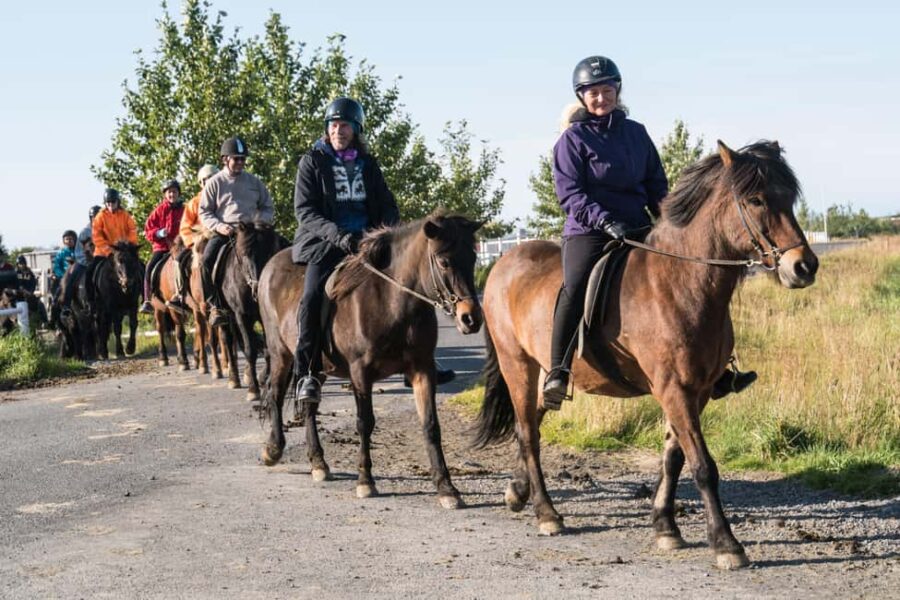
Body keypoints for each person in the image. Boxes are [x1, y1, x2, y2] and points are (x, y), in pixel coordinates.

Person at [542, 55, 755, 409]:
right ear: (582, 97)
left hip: (638, 225)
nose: (601, 98)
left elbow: (657, 182)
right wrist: (605, 220)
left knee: (693, 280)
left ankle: (718, 368)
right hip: (589, 231)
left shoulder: (636, 133)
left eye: (607, 90)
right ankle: (558, 370)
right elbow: (570, 195)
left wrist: (674, 219)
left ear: (617, 91)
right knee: (575, 286)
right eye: (593, 92)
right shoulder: (571, 141)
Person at [291, 97, 454, 403]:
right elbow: (306, 212)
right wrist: (339, 237)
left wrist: (392, 236)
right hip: (327, 243)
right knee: (312, 297)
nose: (339, 130)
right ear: (327, 129)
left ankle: (421, 360)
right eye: (334, 125)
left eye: (345, 125)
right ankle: (308, 372)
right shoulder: (312, 161)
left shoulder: (368, 165)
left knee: (412, 283)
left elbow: (387, 206)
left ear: (356, 129)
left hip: (368, 242)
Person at [199, 137, 274, 326]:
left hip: (253, 233)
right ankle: (215, 305)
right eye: (236, 159)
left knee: (285, 251)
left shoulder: (254, 182)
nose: (240, 162)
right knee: (205, 262)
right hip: (227, 233)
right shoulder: (214, 183)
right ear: (225, 159)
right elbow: (205, 211)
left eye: (243, 159)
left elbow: (267, 207)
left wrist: (260, 222)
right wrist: (219, 226)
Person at [171, 164, 218, 314]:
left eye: (212, 178)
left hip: (222, 236)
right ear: (201, 183)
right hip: (200, 241)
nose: (208, 182)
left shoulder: (225, 197)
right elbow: (184, 228)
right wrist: (195, 239)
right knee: (179, 261)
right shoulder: (194, 203)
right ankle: (180, 295)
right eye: (205, 180)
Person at [140, 179, 185, 314]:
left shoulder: (184, 209)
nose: (172, 194)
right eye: (169, 192)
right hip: (162, 248)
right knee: (149, 268)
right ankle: (147, 300)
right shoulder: (159, 210)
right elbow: (148, 231)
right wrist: (158, 233)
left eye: (174, 192)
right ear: (165, 195)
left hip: (180, 247)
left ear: (178, 193)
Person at [60, 206, 101, 317]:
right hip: (85, 262)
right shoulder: (85, 232)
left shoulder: (107, 229)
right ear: (91, 218)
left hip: (102, 260)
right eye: (95, 217)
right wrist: (88, 261)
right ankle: (66, 306)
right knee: (71, 278)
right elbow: (79, 252)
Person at [51, 230, 78, 297]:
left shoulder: (79, 251)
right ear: (64, 241)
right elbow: (57, 267)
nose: (69, 241)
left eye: (71, 239)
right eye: (67, 239)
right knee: (60, 289)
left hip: (78, 274)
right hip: (64, 276)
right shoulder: (61, 253)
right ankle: (56, 303)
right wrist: (63, 275)